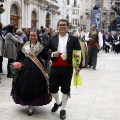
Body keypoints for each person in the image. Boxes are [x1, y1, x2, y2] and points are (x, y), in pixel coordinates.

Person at [45, 19, 82, 119]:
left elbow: (77, 52)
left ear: (67, 26)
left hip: (68, 67)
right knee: (52, 88)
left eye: (64, 25)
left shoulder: (73, 38)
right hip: (55, 66)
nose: (62, 27)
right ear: (58, 26)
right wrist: (52, 54)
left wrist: (78, 66)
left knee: (65, 89)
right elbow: (45, 50)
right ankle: (58, 102)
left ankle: (63, 109)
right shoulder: (52, 38)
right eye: (60, 25)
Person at [11, 29, 51, 116]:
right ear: (29, 36)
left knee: (35, 86)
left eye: (34, 35)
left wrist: (51, 54)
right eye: (31, 35)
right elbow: (20, 57)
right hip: (25, 69)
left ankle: (32, 105)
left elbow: (46, 57)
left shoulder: (41, 46)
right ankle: (29, 103)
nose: (33, 37)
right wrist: (17, 63)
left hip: (37, 69)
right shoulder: (24, 45)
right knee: (25, 86)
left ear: (37, 36)